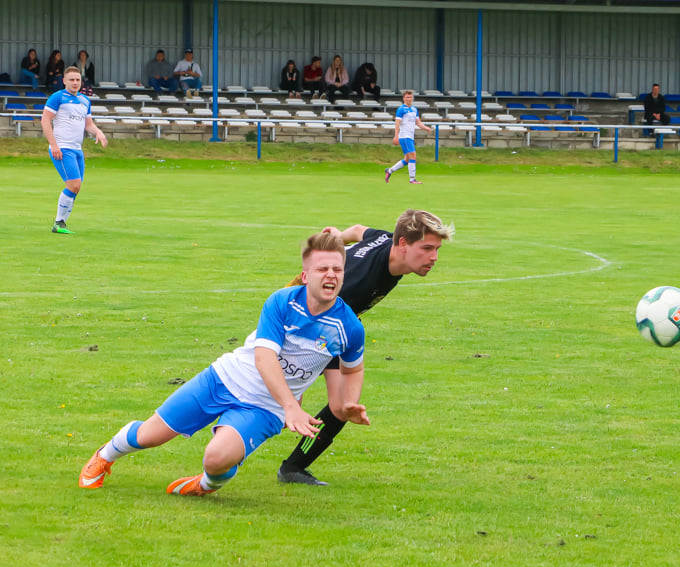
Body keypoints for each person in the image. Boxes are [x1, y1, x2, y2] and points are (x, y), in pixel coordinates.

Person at [79, 232, 368, 497]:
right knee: (151, 435)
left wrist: (348, 404)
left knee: (216, 459)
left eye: (337, 270)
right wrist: (292, 406)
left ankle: (204, 485)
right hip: (223, 379)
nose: (330, 275)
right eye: (322, 269)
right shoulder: (282, 302)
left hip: (266, 408)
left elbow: (353, 368)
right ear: (305, 275)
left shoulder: (349, 328)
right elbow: (264, 357)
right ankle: (104, 456)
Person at [278, 209, 455, 486]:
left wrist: (338, 237)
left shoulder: (387, 240)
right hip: (305, 324)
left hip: (336, 328)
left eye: (437, 249)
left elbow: (360, 230)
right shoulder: (359, 279)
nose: (434, 257)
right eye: (427, 248)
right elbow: (300, 303)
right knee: (275, 403)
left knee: (342, 407)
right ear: (403, 244)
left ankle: (292, 469)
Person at [41, 66, 108, 235]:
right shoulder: (58, 97)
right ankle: (58, 223)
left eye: (78, 79)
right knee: (74, 184)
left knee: (76, 188)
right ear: (64, 81)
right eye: (71, 79)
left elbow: (88, 124)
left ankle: (61, 223)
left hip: (77, 149)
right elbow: (45, 120)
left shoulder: (85, 100)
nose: (75, 82)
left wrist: (98, 132)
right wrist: (54, 144)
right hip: (62, 148)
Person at [385, 90, 432, 185]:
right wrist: (396, 136)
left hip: (410, 136)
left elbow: (418, 122)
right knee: (413, 155)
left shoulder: (414, 109)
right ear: (403, 98)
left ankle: (389, 171)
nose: (409, 99)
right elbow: (397, 123)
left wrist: (425, 127)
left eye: (410, 97)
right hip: (404, 135)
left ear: (412, 98)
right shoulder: (401, 109)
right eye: (407, 97)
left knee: (407, 159)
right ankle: (412, 179)